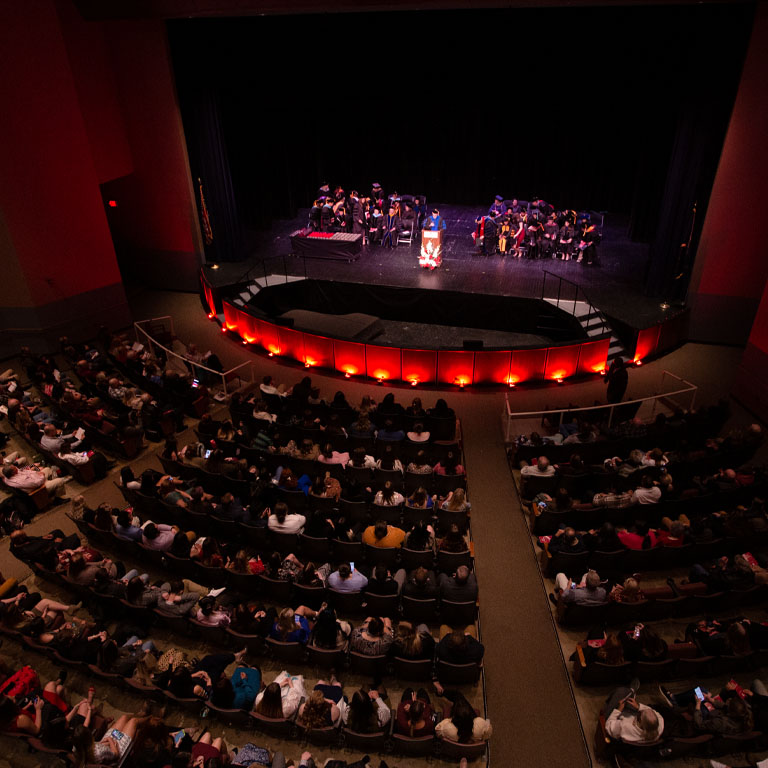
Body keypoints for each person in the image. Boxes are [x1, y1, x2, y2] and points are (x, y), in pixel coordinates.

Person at [602, 679, 664, 744]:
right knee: (630, 702)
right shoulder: (660, 725)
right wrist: (638, 707)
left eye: (641, 712)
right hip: (632, 721)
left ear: (640, 721)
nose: (641, 711)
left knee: (620, 693)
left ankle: (630, 692)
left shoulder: (624, 727)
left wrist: (618, 710)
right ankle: (631, 693)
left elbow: (608, 726)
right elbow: (652, 711)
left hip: (615, 723)